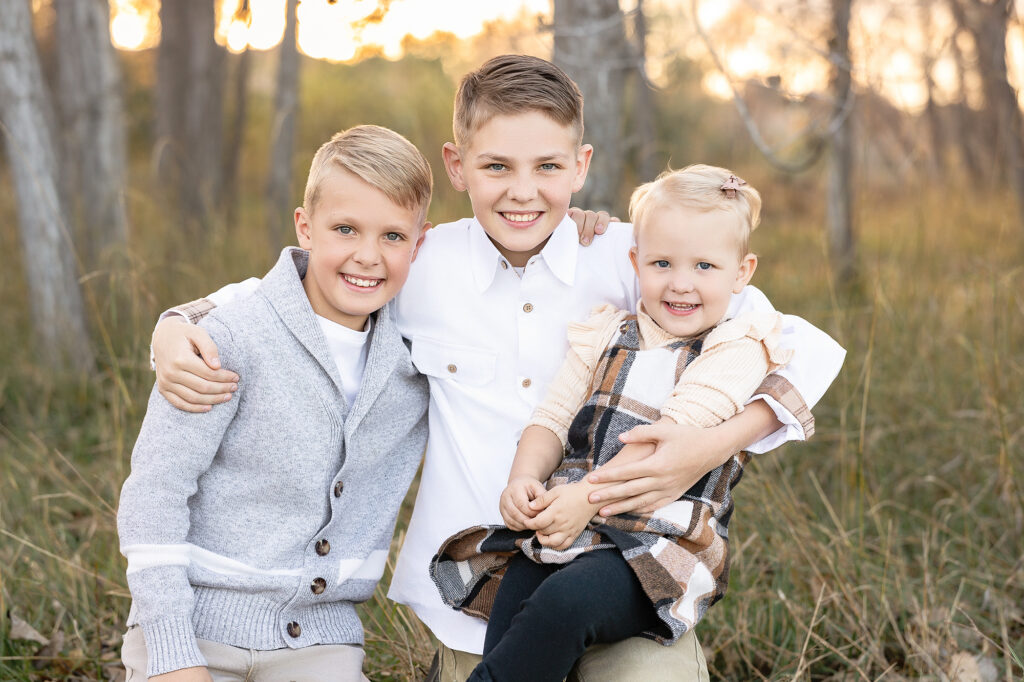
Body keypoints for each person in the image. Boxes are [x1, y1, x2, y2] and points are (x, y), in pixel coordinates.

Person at [150, 55, 845, 680]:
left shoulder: (639, 257)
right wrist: (179, 324)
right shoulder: (422, 265)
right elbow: (300, 286)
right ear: (458, 167)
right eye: (497, 168)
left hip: (623, 565)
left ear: (581, 165)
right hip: (482, 589)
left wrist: (708, 442)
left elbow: (795, 342)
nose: (524, 192)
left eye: (548, 167)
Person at [431, 164, 801, 681]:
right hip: (570, 523)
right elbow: (552, 418)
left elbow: (666, 438)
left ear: (742, 271)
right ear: (635, 262)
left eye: (704, 267)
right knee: (516, 596)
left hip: (653, 546)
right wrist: (524, 479)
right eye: (662, 263)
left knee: (563, 604)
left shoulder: (736, 347)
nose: (680, 284)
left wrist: (584, 499)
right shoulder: (605, 333)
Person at [117, 125, 433, 681]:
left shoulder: (420, 359)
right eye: (344, 229)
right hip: (193, 626)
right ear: (304, 227)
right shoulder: (226, 339)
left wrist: (585, 230)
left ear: (420, 243)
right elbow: (154, 493)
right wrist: (173, 654)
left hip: (321, 640)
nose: (367, 256)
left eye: (392, 236)